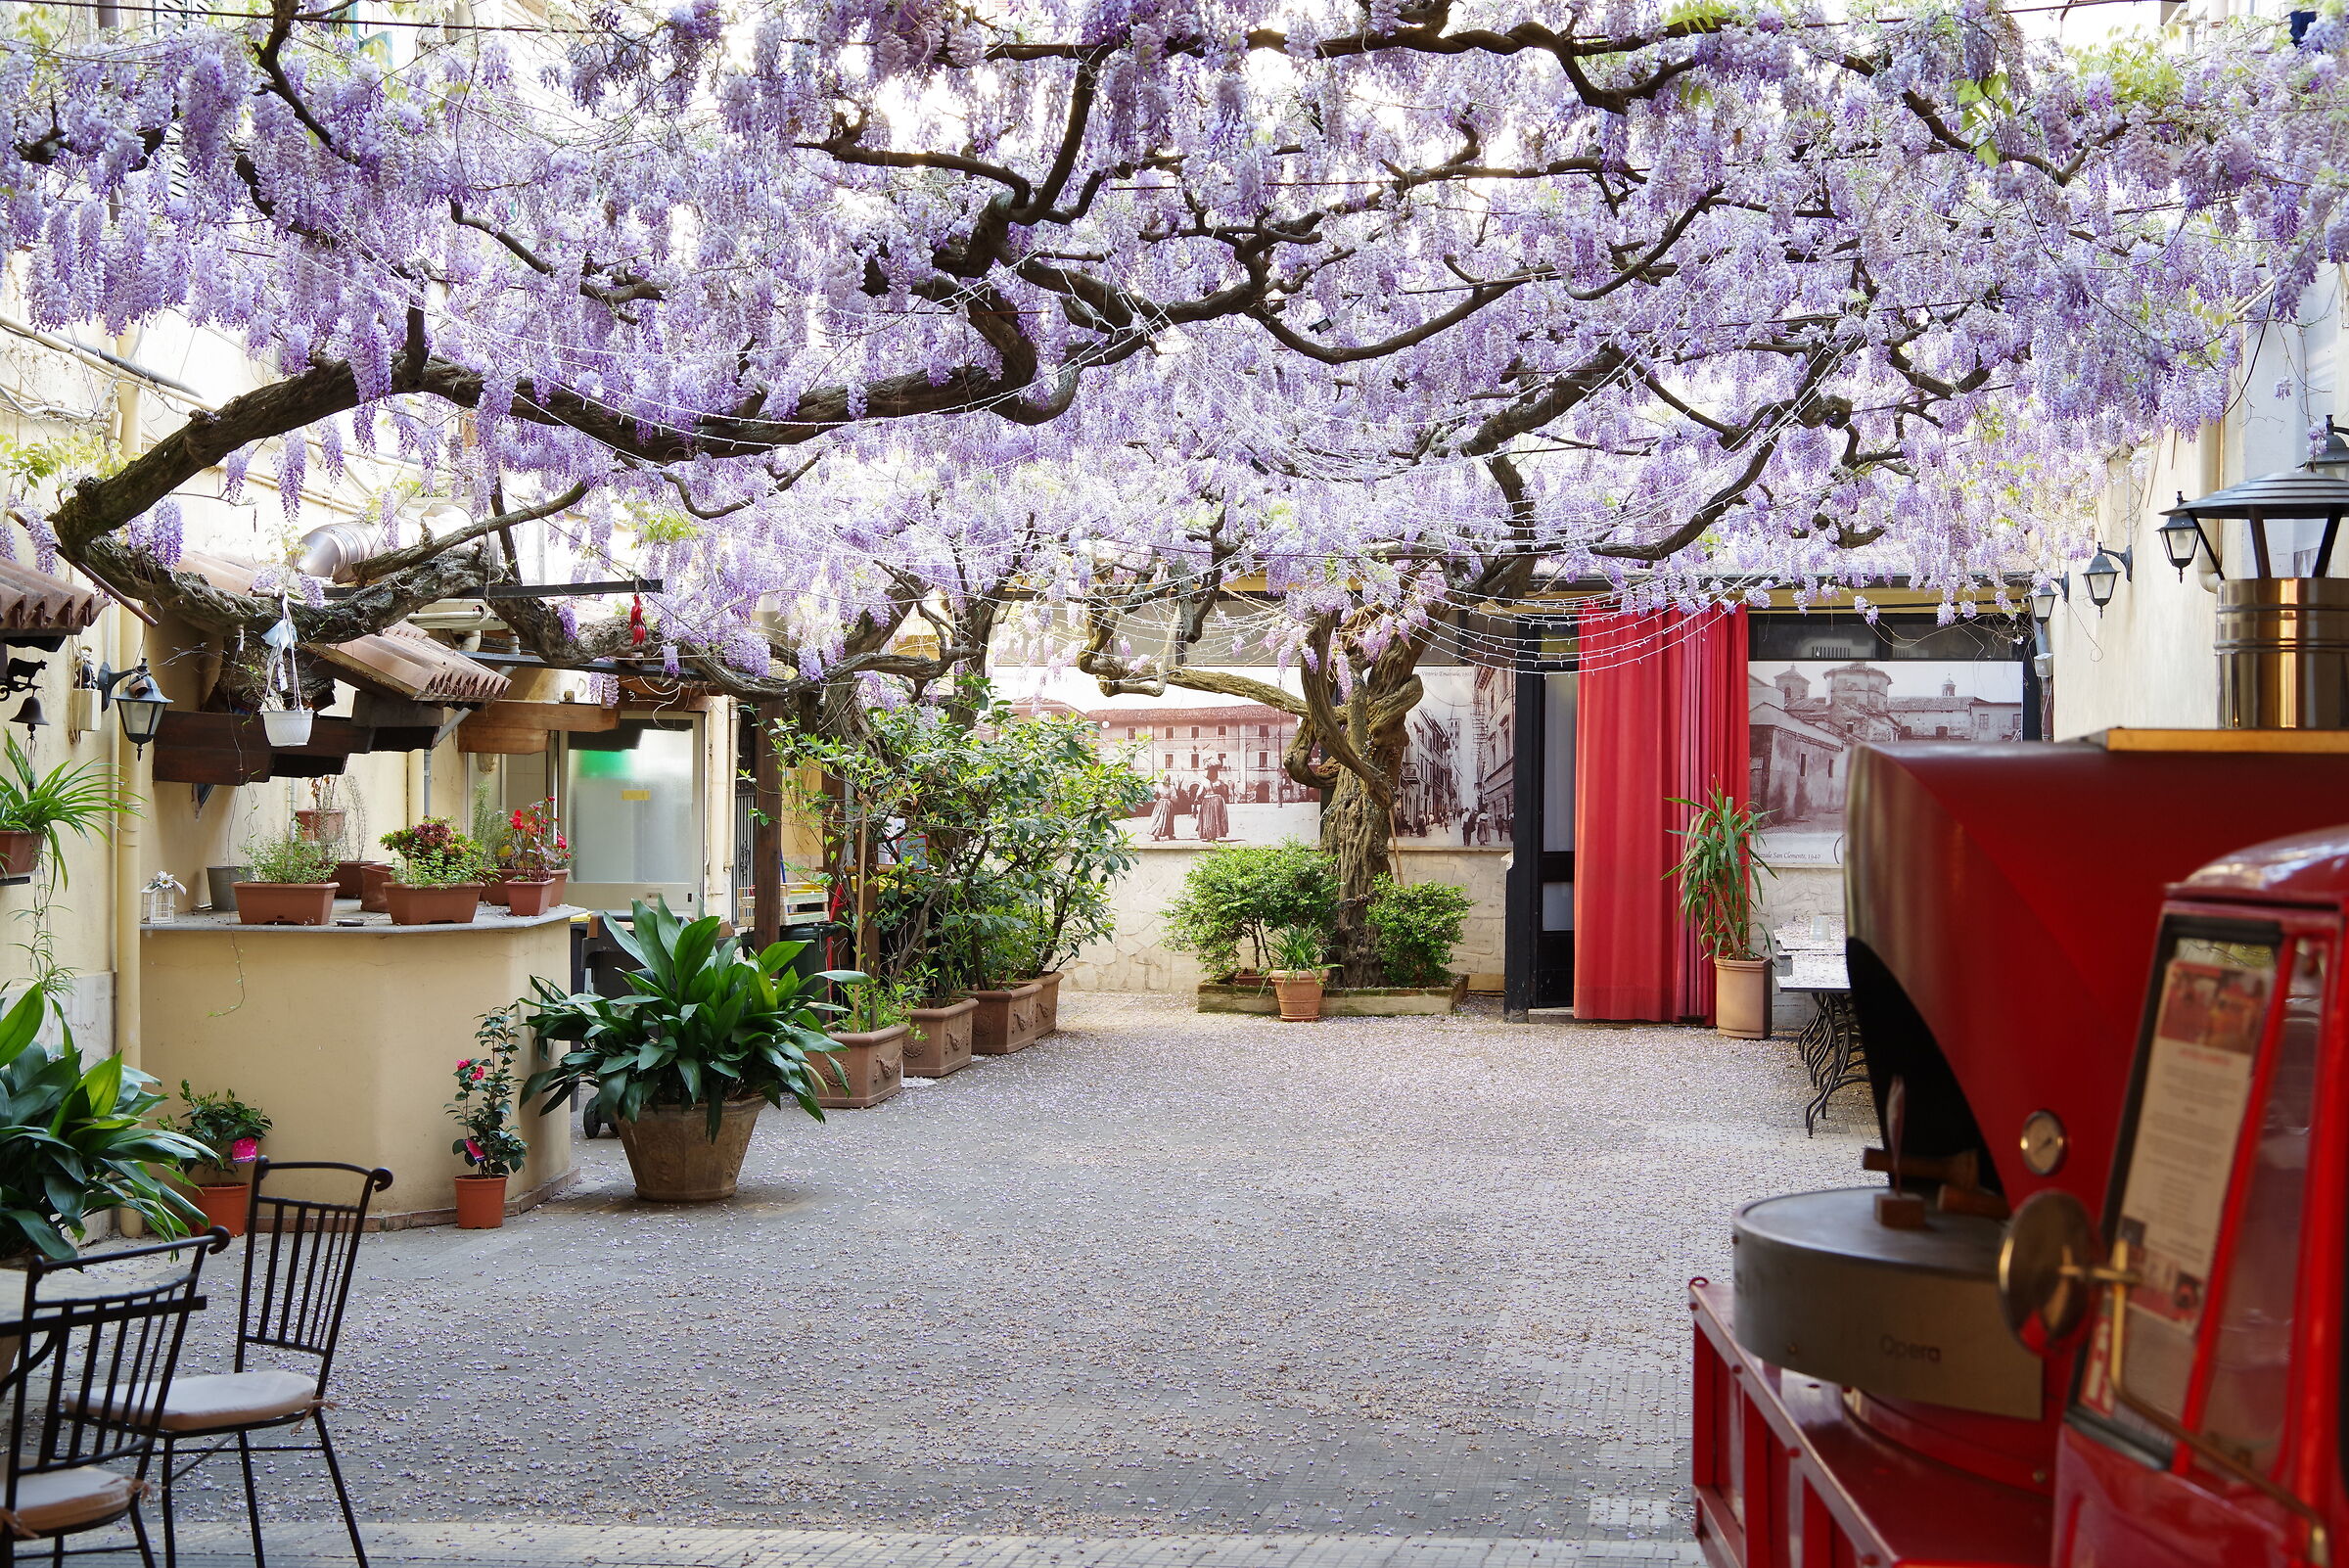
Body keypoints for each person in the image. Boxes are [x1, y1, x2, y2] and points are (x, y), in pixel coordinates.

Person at [1195, 778, 1230, 842]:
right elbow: (1224, 791)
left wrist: (1197, 799)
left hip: (1207, 800)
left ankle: (1209, 835)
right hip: (1217, 799)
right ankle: (1214, 834)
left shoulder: (1204, 781)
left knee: (1208, 817)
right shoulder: (1219, 782)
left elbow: (1199, 793)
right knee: (1215, 817)